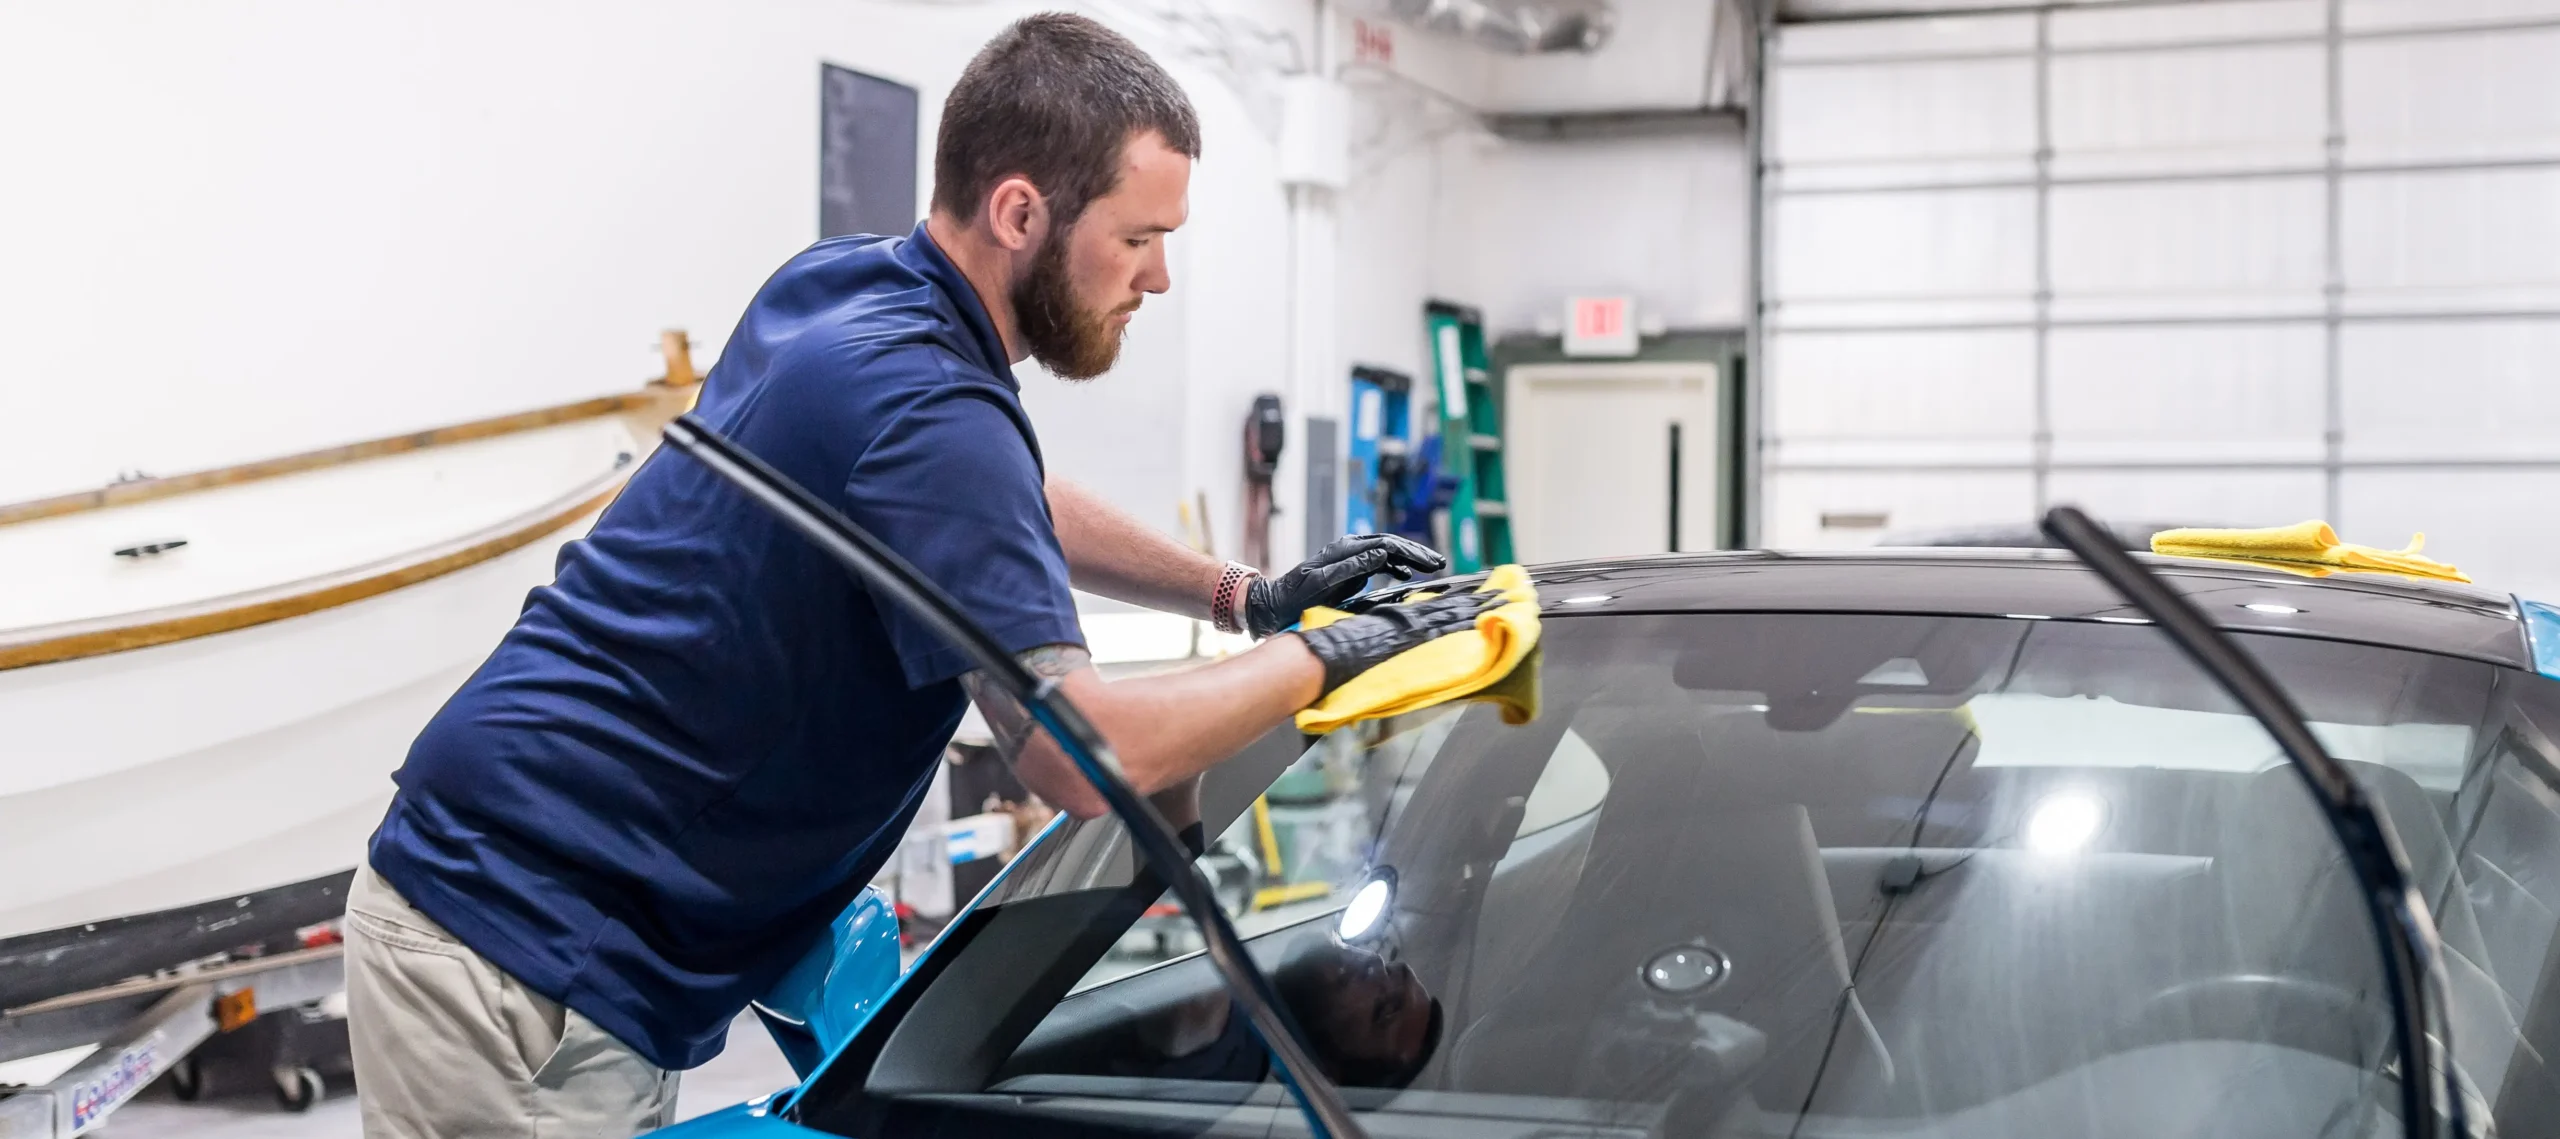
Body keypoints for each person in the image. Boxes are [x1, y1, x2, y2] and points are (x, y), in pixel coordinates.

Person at [342, 14, 1496, 1138]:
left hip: (503, 886)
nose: (1157, 280)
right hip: (522, 951)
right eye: (1139, 238)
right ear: (1019, 211)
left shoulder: (848, 288)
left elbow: (1005, 504)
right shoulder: (928, 408)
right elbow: (1080, 751)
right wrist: (1331, 653)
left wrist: (1241, 595)